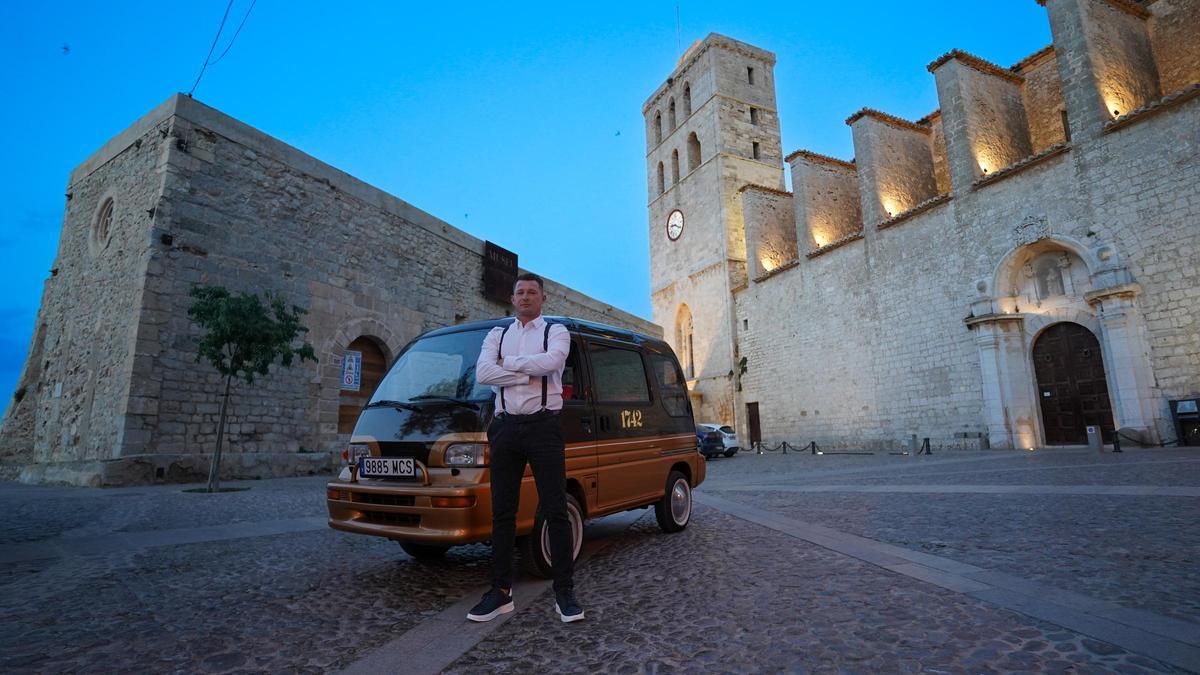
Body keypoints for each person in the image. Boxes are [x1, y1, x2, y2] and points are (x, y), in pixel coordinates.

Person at [467, 272, 584, 623]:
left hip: (543, 427)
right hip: (504, 428)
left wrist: (509, 366)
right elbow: (483, 374)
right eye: (520, 292)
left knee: (555, 509)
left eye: (533, 292)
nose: (526, 297)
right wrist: (525, 374)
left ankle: (564, 592)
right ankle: (500, 592)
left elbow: (552, 363)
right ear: (513, 298)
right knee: (502, 512)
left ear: (542, 298)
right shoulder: (497, 333)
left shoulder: (556, 332)